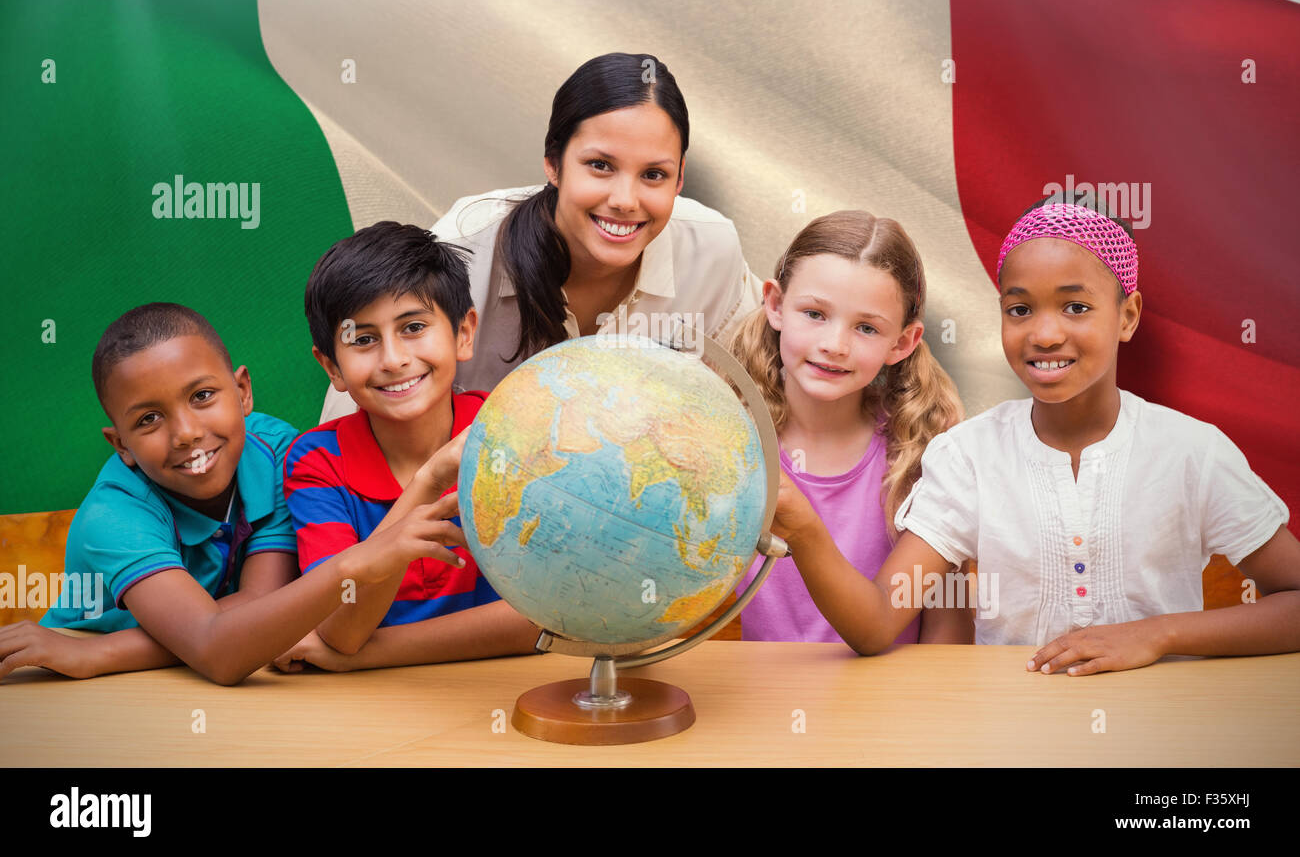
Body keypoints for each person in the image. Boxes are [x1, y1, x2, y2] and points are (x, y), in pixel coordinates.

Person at [774, 198, 1300, 672]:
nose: (1045, 334)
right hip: (1011, 736)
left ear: (1128, 316)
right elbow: (876, 624)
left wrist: (1157, 635)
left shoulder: (1192, 452)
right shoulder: (968, 455)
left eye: (1076, 306)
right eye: (1020, 309)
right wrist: (802, 526)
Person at [0, 303, 454, 685]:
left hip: (175, 671)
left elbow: (261, 607)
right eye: (148, 420)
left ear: (242, 391)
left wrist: (116, 653)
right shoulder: (113, 514)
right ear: (122, 446)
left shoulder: (278, 453)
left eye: (201, 396)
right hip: (83, 685)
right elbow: (220, 652)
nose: (186, 433)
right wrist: (354, 564)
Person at [320, 51, 760, 420]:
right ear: (552, 163)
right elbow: (359, 406)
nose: (625, 200)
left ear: (680, 179)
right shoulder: (464, 254)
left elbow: (759, 396)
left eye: (654, 174)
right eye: (600, 165)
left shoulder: (711, 251)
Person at [274, 222, 538, 673]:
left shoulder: (514, 431)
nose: (393, 359)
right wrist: (429, 480)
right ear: (331, 367)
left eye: (413, 327)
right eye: (363, 339)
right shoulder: (317, 462)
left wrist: (366, 656)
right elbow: (342, 626)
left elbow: (545, 617)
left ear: (463, 333)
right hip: (365, 713)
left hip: (503, 690)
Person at [730, 212, 968, 645]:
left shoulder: (925, 453)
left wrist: (803, 528)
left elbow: (941, 644)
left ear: (902, 343)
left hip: (881, 708)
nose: (834, 345)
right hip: (750, 702)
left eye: (865, 327)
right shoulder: (724, 437)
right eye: (815, 314)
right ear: (776, 305)